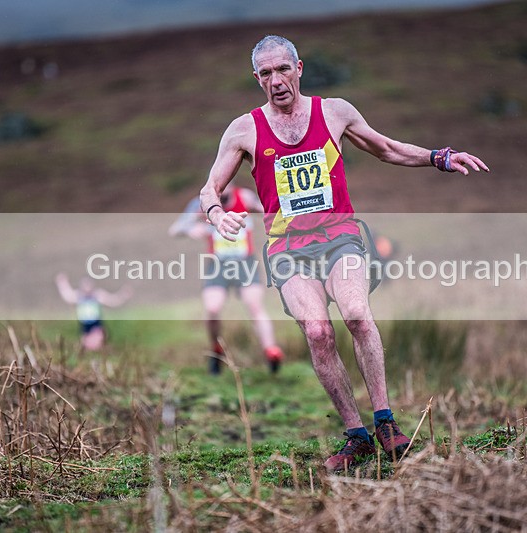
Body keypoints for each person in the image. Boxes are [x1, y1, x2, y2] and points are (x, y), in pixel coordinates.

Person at [199, 35, 489, 472]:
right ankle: (357, 435)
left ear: (299, 67)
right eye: (265, 74)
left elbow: (386, 148)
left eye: (282, 70)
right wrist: (217, 214)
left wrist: (438, 157)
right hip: (287, 248)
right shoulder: (244, 129)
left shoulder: (334, 112)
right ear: (256, 78)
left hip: (340, 236)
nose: (276, 81)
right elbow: (209, 188)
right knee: (317, 332)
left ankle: (386, 422)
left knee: (355, 314)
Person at [169, 184, 286, 374]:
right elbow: (175, 229)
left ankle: (271, 351)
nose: (223, 190)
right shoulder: (202, 203)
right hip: (218, 266)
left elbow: (268, 210)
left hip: (244, 263)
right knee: (212, 309)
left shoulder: (245, 197)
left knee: (254, 306)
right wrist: (189, 229)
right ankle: (216, 350)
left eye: (226, 184)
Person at [55, 273, 132, 351]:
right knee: (88, 345)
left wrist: (124, 295)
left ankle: (100, 346)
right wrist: (62, 283)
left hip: (96, 325)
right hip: (84, 326)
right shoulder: (79, 296)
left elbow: (113, 301)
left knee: (97, 342)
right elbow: (68, 296)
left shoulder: (97, 295)